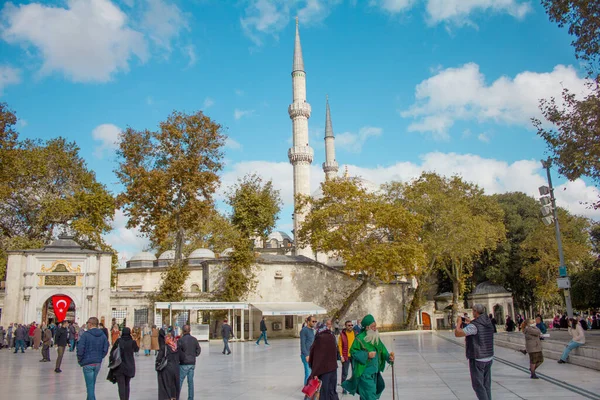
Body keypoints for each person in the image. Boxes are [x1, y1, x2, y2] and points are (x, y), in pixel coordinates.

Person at [342, 315, 395, 399]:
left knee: (367, 396)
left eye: (375, 326)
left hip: (375, 373)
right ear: (367, 327)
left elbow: (383, 350)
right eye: (373, 326)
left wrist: (389, 358)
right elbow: (353, 352)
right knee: (370, 396)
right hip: (364, 374)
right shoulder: (359, 339)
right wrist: (367, 355)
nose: (375, 328)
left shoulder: (375, 338)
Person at [454, 304, 494, 400]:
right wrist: (469, 321)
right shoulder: (488, 321)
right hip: (488, 356)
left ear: (475, 311)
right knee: (486, 385)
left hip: (478, 357)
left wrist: (459, 323)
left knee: (478, 386)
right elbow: (478, 325)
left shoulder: (474, 326)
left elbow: (458, 333)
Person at [77, 317, 109, 400]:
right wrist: (100, 357)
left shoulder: (86, 335)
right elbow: (106, 348)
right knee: (91, 384)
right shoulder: (102, 335)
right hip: (97, 362)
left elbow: (80, 348)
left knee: (90, 386)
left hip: (87, 362)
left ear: (90, 324)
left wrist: (80, 359)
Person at [308, 319, 339, 400]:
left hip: (323, 371)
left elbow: (316, 357)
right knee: (332, 390)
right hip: (333, 369)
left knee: (324, 393)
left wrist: (314, 372)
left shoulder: (319, 338)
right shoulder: (331, 336)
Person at [107, 327, 138, 400]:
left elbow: (112, 352)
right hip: (129, 365)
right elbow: (136, 349)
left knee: (121, 385)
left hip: (119, 366)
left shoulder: (119, 341)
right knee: (127, 384)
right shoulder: (132, 342)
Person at [156, 327, 181, 400]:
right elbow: (182, 357)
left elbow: (159, 359)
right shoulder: (177, 347)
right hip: (175, 369)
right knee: (174, 386)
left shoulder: (164, 347)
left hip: (166, 369)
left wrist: (157, 367)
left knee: (166, 386)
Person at [178, 324, 201, 400]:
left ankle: (176, 396)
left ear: (182, 331)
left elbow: (178, 351)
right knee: (190, 382)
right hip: (192, 363)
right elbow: (198, 350)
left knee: (180, 381)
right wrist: (194, 355)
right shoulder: (194, 339)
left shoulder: (181, 340)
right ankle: (191, 398)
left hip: (183, 363)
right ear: (189, 330)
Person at [338, 320, 355, 395]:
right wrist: (341, 356)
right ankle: (344, 387)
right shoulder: (342, 334)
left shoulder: (355, 333)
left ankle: (353, 387)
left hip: (354, 356)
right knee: (345, 373)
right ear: (345, 326)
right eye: (349, 325)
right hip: (346, 356)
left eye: (351, 325)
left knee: (355, 372)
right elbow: (340, 346)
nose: (350, 326)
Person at [300, 316, 316, 386]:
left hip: (313, 355)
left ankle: (311, 389)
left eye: (315, 321)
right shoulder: (304, 330)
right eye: (313, 321)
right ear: (308, 322)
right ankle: (307, 392)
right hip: (306, 355)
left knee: (312, 373)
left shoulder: (313, 330)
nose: (314, 323)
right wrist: (306, 355)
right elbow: (302, 344)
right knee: (308, 373)